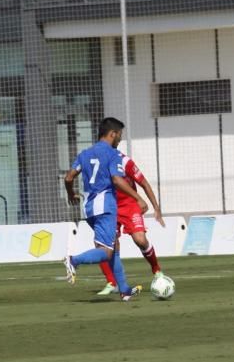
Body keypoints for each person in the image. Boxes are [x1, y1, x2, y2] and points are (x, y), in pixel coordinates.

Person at [63, 118, 146, 302]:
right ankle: (73, 260)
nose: (119, 140)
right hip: (105, 206)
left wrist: (71, 194)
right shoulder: (113, 154)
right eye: (119, 136)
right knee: (106, 251)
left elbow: (69, 177)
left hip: (90, 207)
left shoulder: (85, 154)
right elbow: (117, 180)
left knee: (113, 245)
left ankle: (124, 290)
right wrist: (137, 197)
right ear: (112, 134)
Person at [94, 149, 166, 296]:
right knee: (106, 244)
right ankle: (111, 283)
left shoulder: (125, 161)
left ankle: (157, 270)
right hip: (110, 206)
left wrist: (156, 207)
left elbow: (144, 183)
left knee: (140, 239)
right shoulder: (96, 161)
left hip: (129, 205)